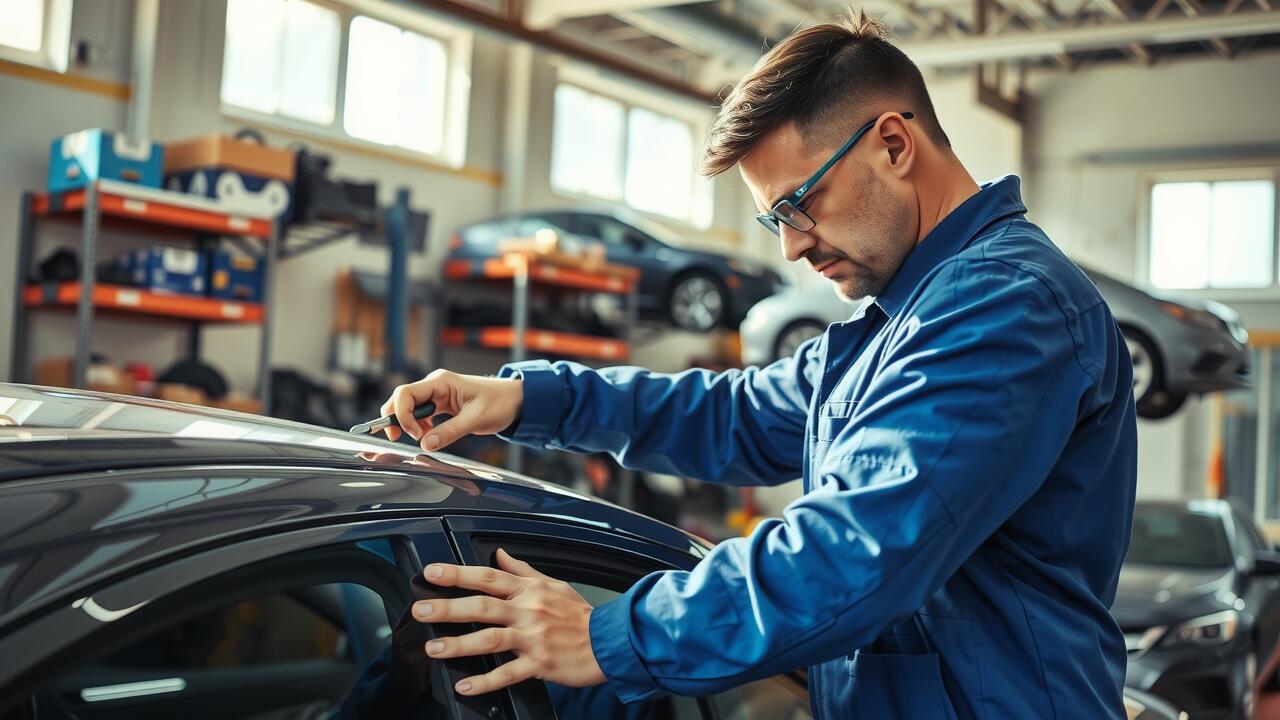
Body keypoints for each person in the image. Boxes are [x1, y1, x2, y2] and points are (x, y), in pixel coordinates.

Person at [379, 11, 1137, 719]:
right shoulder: (900, 320)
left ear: (895, 146)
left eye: (800, 203)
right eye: (775, 218)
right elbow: (736, 414)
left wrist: (610, 638)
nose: (791, 246)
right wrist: (525, 400)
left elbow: (854, 555)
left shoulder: (1001, 306)